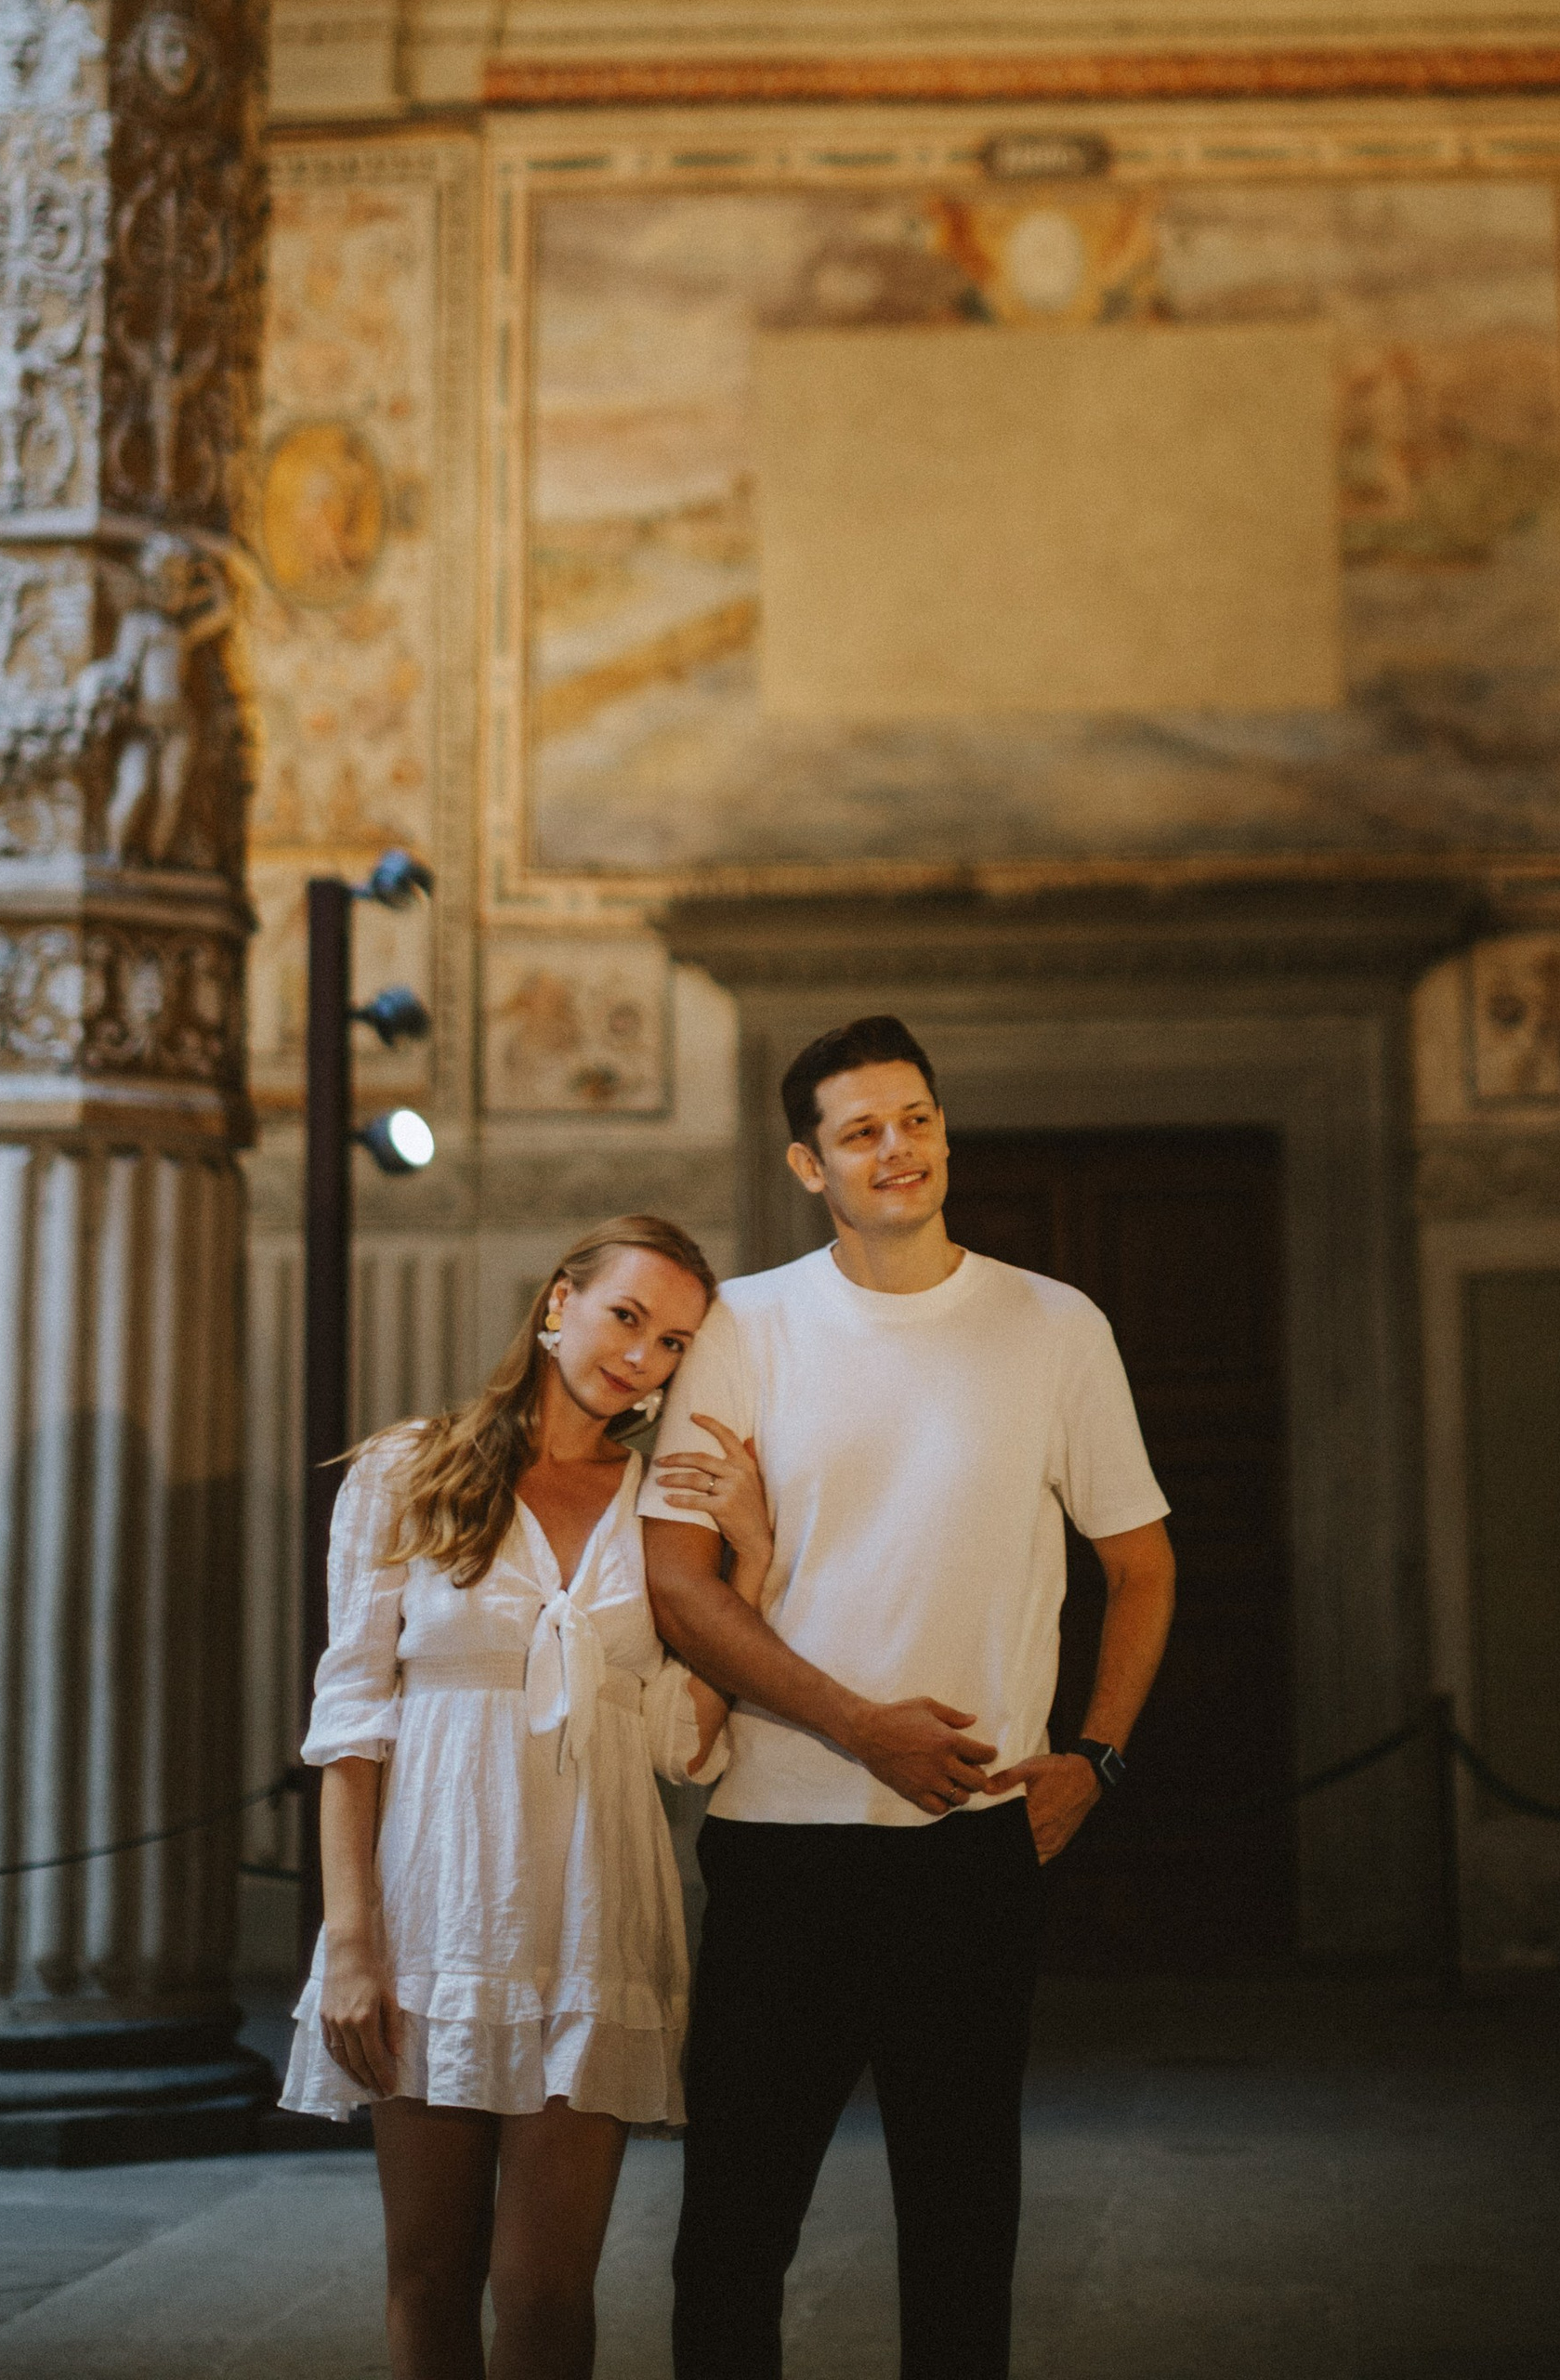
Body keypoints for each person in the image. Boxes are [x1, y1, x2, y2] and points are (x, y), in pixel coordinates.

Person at [642, 1014, 1177, 2380]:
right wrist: (855, 1724)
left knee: (962, 2235)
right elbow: (680, 1585)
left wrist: (1096, 1758)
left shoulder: (1055, 1326)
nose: (901, 1149)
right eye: (864, 1130)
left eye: (919, 1119)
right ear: (808, 1165)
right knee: (729, 2240)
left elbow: (1142, 1565)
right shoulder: (749, 1324)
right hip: (780, 1848)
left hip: (973, 1855)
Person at [283, 1211, 774, 2380]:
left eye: (671, 1343)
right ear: (559, 1302)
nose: (641, 1357)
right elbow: (352, 1725)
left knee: (545, 2290)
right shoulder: (408, 1469)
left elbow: (678, 1739)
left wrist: (747, 1561)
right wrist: (352, 1942)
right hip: (436, 1915)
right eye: (626, 1317)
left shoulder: (660, 1504)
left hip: (594, 1919)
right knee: (429, 2276)